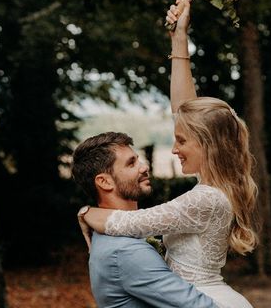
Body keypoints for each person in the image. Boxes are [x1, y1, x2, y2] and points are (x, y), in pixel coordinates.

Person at [79, 0, 258, 308]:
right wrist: (179, 39)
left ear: (206, 145)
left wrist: (85, 212)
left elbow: (129, 224)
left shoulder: (205, 198)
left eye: (182, 141)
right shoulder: (215, 184)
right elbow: (183, 111)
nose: (174, 149)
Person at [71, 131, 218, 308]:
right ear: (104, 182)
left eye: (138, 159)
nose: (143, 167)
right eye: (131, 164)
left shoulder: (110, 234)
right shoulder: (126, 251)